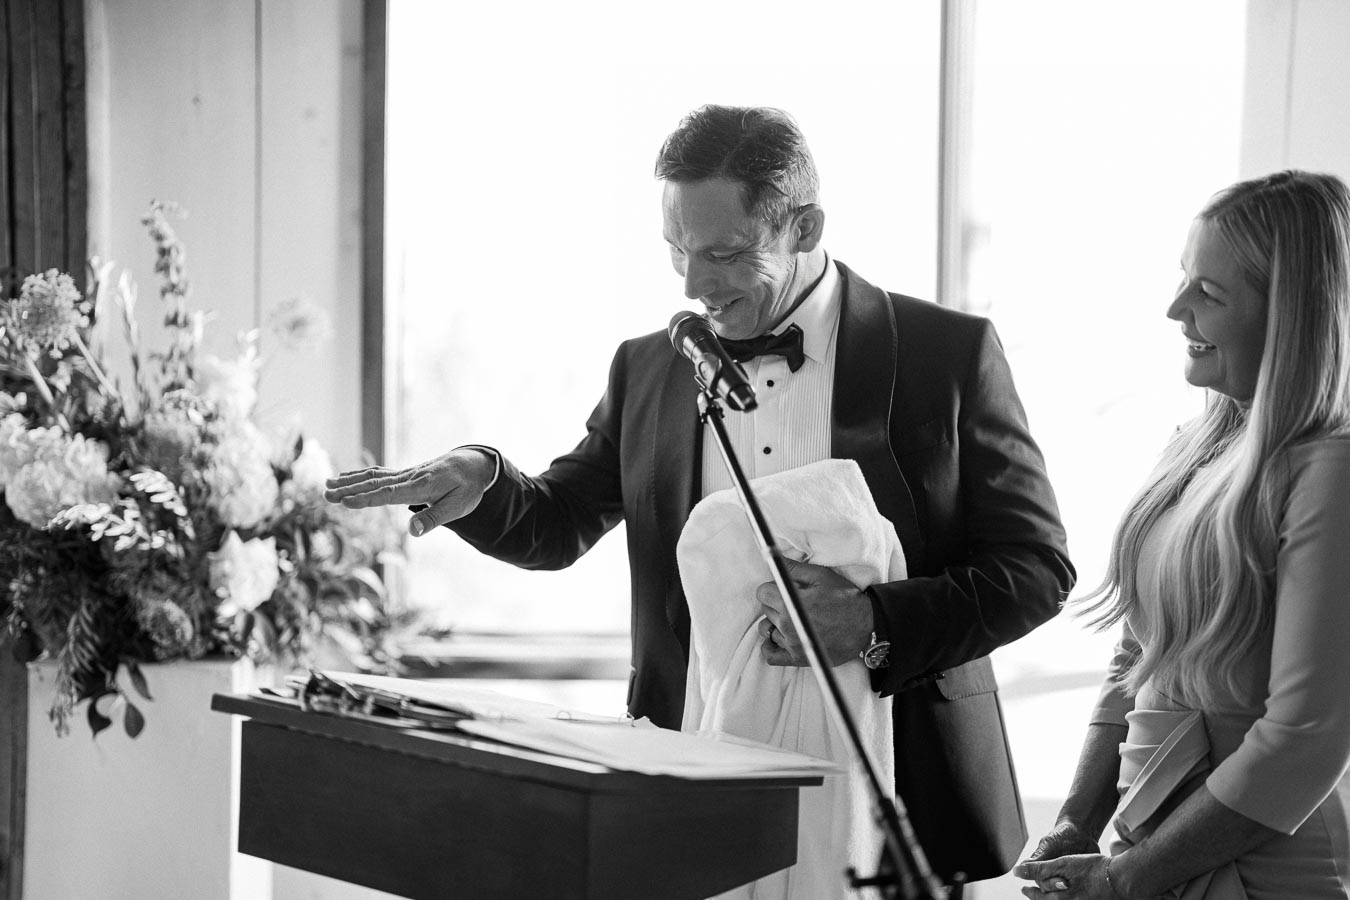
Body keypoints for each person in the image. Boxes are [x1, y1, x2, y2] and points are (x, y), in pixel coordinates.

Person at [326, 104, 1074, 886]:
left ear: (806, 227)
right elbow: (559, 522)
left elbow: (1037, 567)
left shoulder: (946, 356)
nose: (693, 283)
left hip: (905, 798)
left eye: (724, 253)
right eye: (676, 250)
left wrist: (873, 623)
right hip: (696, 793)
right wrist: (484, 480)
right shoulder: (648, 369)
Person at [1014, 170, 1350, 899]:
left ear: (1290, 315)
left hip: (1259, 877)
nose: (1175, 309)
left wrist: (1125, 878)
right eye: (1183, 279)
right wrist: (1078, 822)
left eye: (1211, 294)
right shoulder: (1192, 445)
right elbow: (1137, 655)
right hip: (1150, 861)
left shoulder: (1332, 470)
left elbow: (1303, 742)